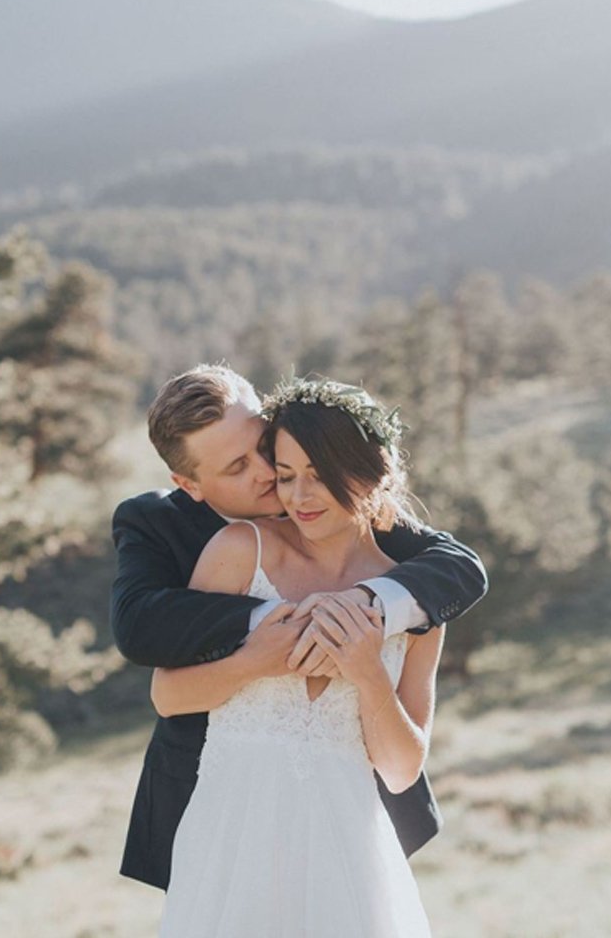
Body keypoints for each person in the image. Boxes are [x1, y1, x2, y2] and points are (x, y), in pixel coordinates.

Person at [110, 363, 488, 893]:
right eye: (237, 468)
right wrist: (270, 625)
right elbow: (138, 626)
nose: (270, 475)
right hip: (217, 806)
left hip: (353, 805)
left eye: (263, 446)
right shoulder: (158, 524)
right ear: (189, 484)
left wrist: (365, 609)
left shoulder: (338, 500)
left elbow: (459, 567)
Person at [154, 376, 439, 935]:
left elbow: (403, 771)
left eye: (319, 476)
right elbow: (167, 695)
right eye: (285, 476)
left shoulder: (414, 603)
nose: (299, 497)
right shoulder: (240, 552)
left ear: (370, 473)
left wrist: (366, 673)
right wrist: (258, 659)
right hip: (230, 843)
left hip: (348, 852)